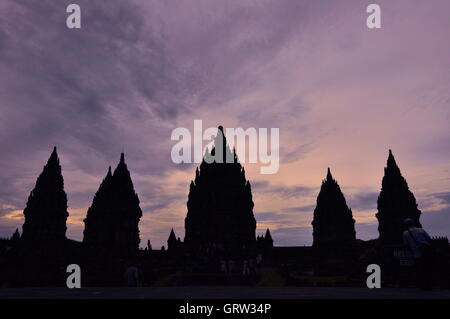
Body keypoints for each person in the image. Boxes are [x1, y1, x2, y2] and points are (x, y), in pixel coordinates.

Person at [402, 218, 434, 289]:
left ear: (406, 225)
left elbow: (406, 245)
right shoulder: (421, 230)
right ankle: (430, 284)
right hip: (427, 251)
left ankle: (422, 285)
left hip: (417, 253)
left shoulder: (406, 233)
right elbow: (429, 239)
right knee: (429, 268)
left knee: (420, 269)